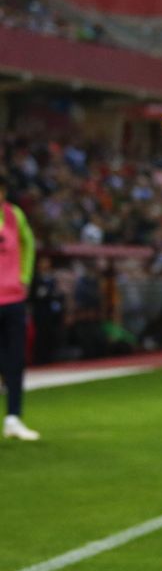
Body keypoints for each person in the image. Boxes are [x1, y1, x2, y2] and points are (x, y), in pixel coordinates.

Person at [0, 179, 40, 441]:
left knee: (14, 360)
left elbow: (29, 245)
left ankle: (13, 417)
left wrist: (24, 277)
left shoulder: (13, 215)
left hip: (12, 299)